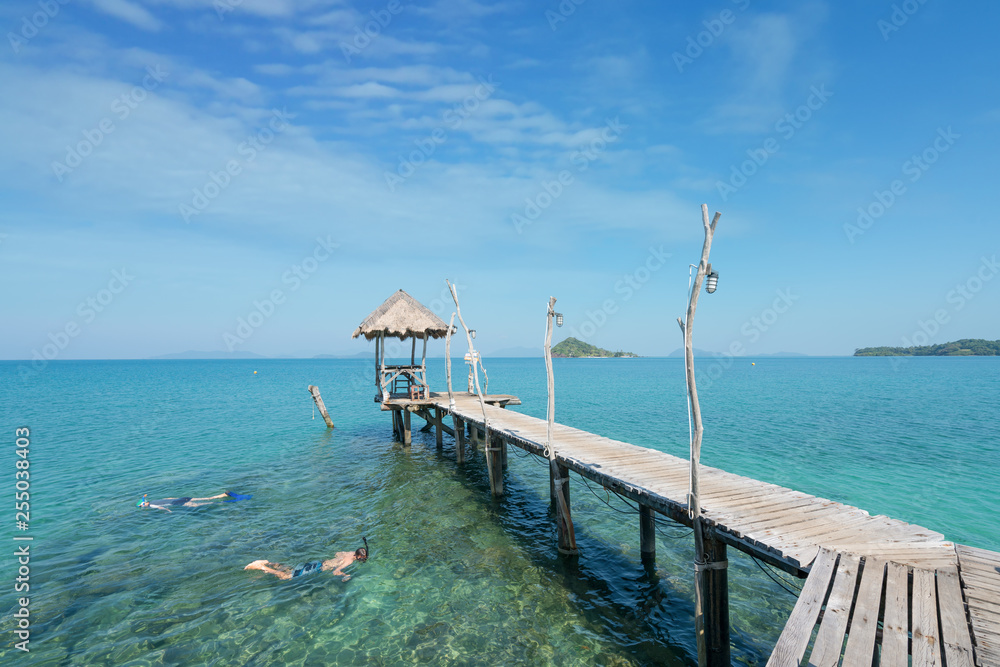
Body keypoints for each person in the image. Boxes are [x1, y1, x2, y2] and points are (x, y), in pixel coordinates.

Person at [244, 539, 369, 582]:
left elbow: (337, 554)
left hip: (318, 562)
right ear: (358, 557)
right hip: (318, 568)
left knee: (291, 569)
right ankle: (262, 567)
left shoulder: (348, 552)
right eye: (362, 559)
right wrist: (345, 575)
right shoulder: (350, 561)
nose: (361, 560)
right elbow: (335, 571)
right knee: (286, 577)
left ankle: (269, 563)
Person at [137, 491, 251, 512]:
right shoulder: (154, 500)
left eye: (142, 506)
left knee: (205, 504)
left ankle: (224, 503)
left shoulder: (151, 505)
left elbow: (161, 507)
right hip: (182, 498)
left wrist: (168, 511)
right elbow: (169, 498)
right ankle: (223, 495)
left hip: (178, 503)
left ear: (143, 504)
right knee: (207, 498)